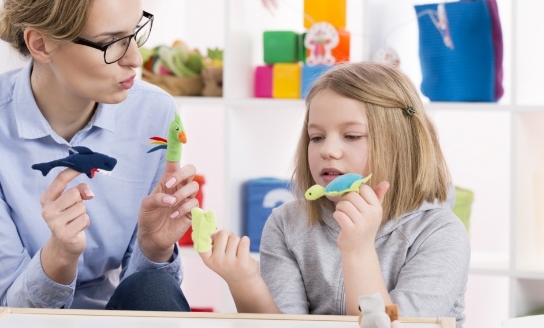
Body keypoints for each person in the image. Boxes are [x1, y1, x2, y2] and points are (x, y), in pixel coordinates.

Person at [0, 0, 200, 327]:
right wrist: (59, 255)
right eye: (111, 43)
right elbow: (12, 306)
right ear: (40, 45)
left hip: (96, 319)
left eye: (135, 32)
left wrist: (155, 247)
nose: (136, 60)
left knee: (154, 290)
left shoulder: (153, 112)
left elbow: (147, 300)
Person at [199, 62, 470, 326]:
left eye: (351, 136)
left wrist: (358, 249)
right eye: (316, 137)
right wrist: (246, 283)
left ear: (399, 143)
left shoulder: (440, 234)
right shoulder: (286, 224)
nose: (327, 150)